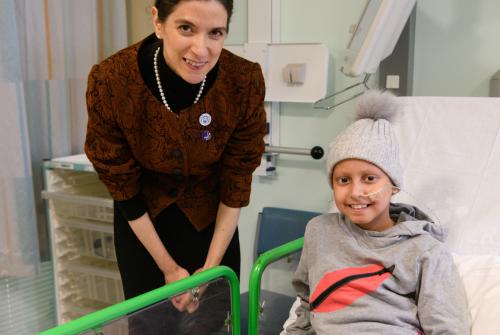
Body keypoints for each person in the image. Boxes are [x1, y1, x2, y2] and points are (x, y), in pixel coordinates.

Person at [84, 0, 266, 318]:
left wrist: (211, 270)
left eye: (216, 33)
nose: (201, 50)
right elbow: (122, 185)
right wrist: (170, 270)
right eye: (186, 28)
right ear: (158, 21)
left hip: (213, 228)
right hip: (143, 227)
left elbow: (237, 180)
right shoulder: (111, 81)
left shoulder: (243, 81)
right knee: (151, 325)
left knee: (214, 321)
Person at [284, 90, 470, 334]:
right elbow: (308, 305)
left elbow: (447, 327)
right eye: (343, 180)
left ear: (393, 186)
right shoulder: (319, 231)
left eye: (369, 178)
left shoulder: (424, 250)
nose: (356, 191)